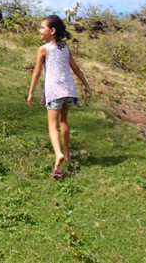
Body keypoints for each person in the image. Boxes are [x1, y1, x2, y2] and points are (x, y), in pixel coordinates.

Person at [27, 15, 91, 179]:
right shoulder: (65, 47)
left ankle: (58, 155)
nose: (40, 30)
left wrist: (31, 92)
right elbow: (75, 68)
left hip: (54, 90)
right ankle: (67, 153)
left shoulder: (44, 49)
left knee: (52, 126)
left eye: (42, 27)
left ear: (52, 31)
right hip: (68, 89)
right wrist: (86, 85)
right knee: (64, 121)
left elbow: (36, 72)